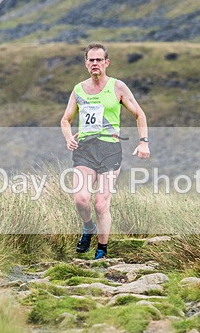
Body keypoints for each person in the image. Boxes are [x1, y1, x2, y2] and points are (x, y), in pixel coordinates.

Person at [60, 43, 150, 259]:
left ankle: (102, 249)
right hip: (85, 149)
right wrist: (68, 137)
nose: (95, 63)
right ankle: (88, 227)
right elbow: (65, 119)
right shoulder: (78, 89)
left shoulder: (117, 87)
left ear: (106, 62)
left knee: (101, 203)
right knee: (81, 199)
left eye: (99, 60)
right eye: (91, 60)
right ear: (86, 64)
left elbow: (139, 114)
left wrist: (144, 142)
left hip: (109, 149)